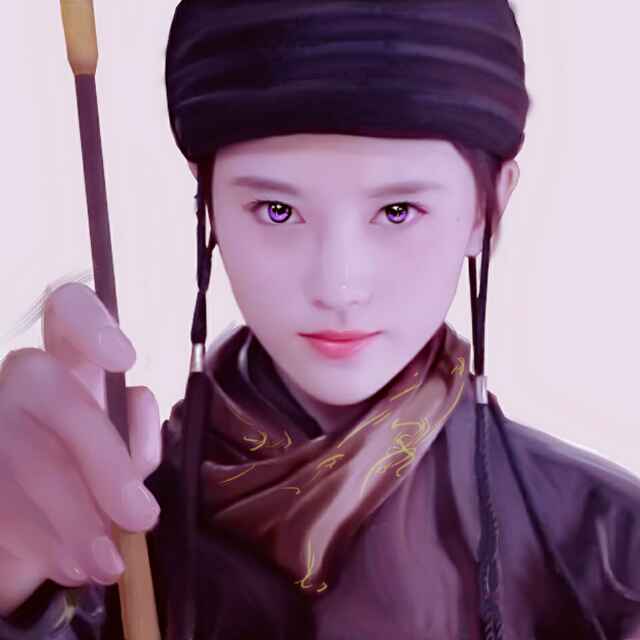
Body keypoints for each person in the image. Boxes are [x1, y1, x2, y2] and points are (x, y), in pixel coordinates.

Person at [1, 1, 639, 639]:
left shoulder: (609, 555)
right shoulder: (105, 536)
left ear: (487, 208)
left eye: (397, 211)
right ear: (208, 201)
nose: (338, 287)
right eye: (276, 210)